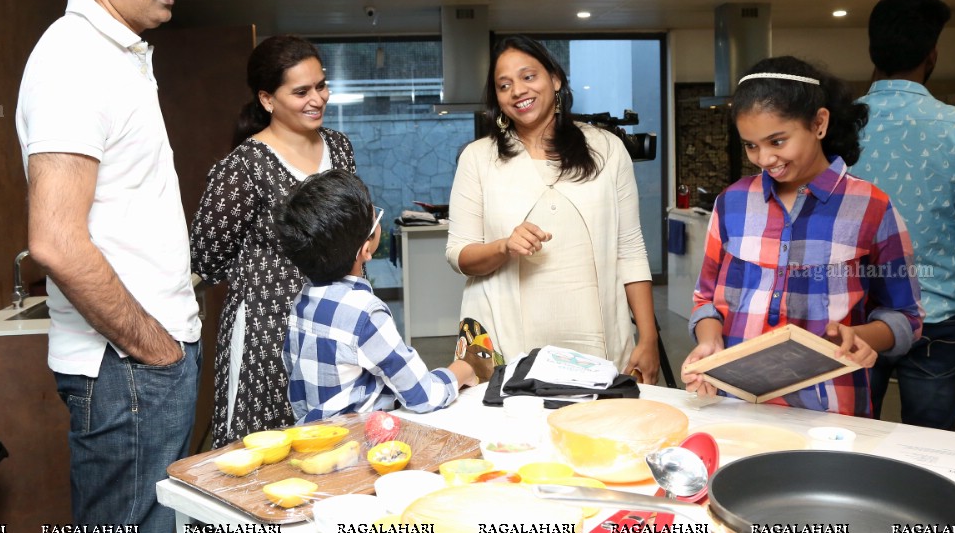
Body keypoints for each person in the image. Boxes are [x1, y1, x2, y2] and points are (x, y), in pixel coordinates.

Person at [16, 0, 199, 533]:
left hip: (141, 368)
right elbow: (56, 241)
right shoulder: (74, 56)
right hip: (128, 369)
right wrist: (153, 348)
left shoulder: (117, 53)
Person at [682, 56, 922, 418]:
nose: (764, 158)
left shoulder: (871, 207)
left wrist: (865, 337)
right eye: (751, 145)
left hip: (830, 408)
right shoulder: (732, 202)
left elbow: (906, 316)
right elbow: (705, 299)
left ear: (819, 123)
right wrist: (709, 338)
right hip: (733, 402)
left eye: (777, 141)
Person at [445, 35, 659, 382]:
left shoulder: (607, 149)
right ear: (497, 98)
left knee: (596, 431)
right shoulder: (478, 158)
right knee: (512, 436)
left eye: (528, 77)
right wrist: (504, 246)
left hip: (598, 340)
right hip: (507, 340)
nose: (517, 90)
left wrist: (648, 337)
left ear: (555, 79)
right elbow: (459, 255)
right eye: (504, 85)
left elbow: (630, 250)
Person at [851, 0, 955, 431]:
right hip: (935, 318)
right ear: (932, 55)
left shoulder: (837, 126)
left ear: (873, 51)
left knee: (847, 444)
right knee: (930, 451)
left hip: (851, 318)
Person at [191, 35, 355, 447]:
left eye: (321, 85)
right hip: (267, 332)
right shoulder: (245, 165)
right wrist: (269, 277)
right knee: (264, 451)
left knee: (331, 444)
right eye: (300, 91)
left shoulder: (339, 148)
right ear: (267, 99)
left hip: (335, 322)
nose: (317, 98)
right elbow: (206, 258)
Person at [276, 169, 489, 421]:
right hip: (360, 445)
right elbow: (423, 396)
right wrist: (464, 368)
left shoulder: (302, 300)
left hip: (314, 438)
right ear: (366, 249)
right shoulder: (364, 314)